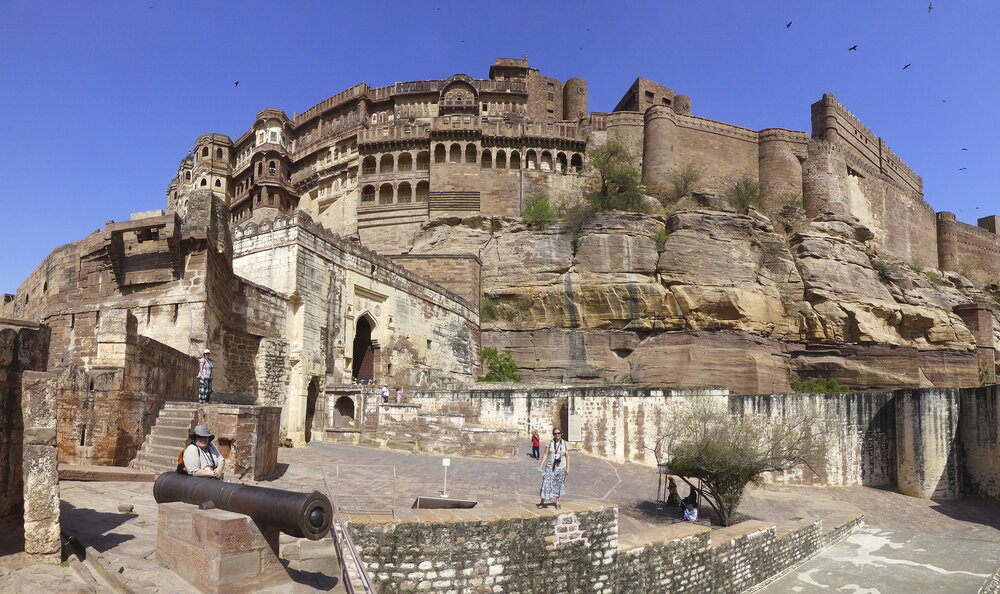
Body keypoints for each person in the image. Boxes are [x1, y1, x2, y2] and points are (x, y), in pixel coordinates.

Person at [537, 428, 569, 509]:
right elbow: (545, 454)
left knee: (559, 484)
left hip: (561, 467)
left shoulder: (565, 443)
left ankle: (557, 502)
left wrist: (568, 468)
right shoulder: (549, 443)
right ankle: (542, 502)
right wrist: (541, 465)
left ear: (561, 433)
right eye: (555, 433)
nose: (557, 435)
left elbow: (567, 456)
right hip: (550, 467)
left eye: (558, 433)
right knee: (546, 483)